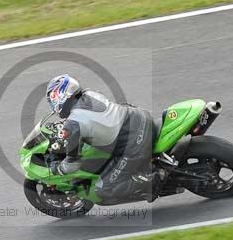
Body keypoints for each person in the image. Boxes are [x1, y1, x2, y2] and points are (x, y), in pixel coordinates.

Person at [45, 74, 158, 205]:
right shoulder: (90, 93)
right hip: (139, 116)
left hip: (135, 143)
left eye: (52, 99)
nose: (52, 104)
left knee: (103, 189)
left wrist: (57, 168)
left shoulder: (73, 124)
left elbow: (72, 165)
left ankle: (153, 180)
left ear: (61, 95)